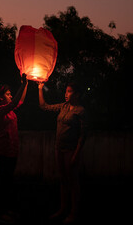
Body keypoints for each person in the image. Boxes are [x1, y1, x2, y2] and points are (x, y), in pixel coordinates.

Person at [38, 81, 87, 224]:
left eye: (70, 91)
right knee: (63, 180)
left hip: (71, 150)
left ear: (77, 95)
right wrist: (40, 89)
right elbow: (43, 106)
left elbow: (83, 136)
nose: (66, 94)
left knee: (73, 182)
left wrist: (76, 154)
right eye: (66, 91)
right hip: (59, 148)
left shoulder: (80, 111)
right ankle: (63, 209)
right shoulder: (63, 107)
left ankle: (73, 213)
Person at [0, 73, 28, 224]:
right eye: (7, 94)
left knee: (9, 182)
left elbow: (20, 100)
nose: (10, 95)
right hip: (4, 152)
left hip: (12, 151)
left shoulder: (9, 111)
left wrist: (25, 86)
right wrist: (23, 84)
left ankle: (7, 210)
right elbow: (14, 103)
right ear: (1, 97)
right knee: (5, 183)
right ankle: (1, 213)